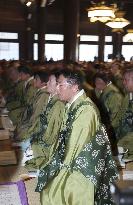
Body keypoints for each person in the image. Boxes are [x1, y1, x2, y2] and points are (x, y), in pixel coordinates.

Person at [35, 69, 118, 205]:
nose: (57, 88)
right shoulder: (74, 104)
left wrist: (59, 172)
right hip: (74, 157)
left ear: (74, 87)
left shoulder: (86, 110)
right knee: (46, 175)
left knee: (51, 193)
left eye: (60, 84)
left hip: (82, 167)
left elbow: (74, 149)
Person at [116, 68, 133, 161]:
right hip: (123, 142)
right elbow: (119, 117)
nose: (123, 82)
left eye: (126, 80)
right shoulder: (128, 97)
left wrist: (123, 143)